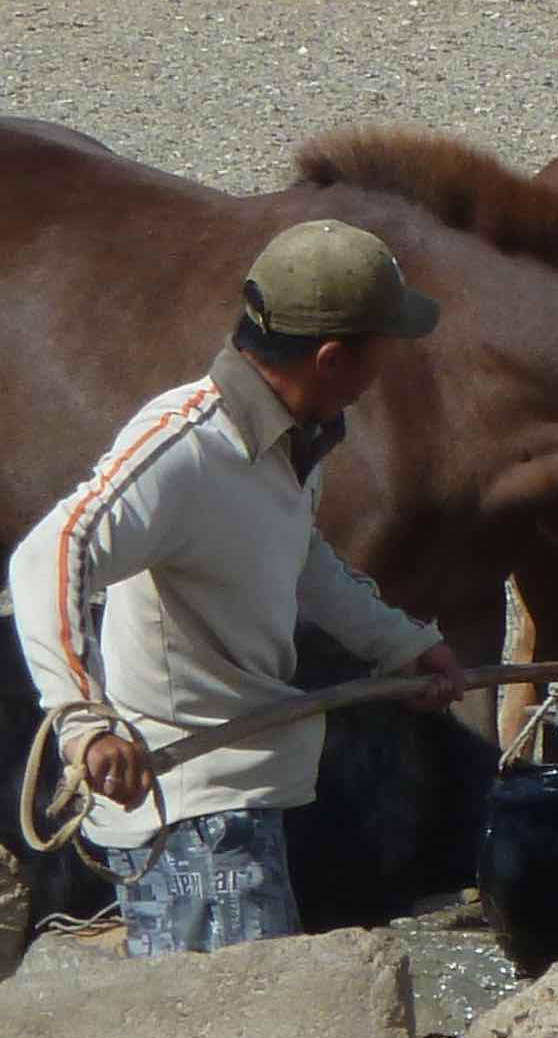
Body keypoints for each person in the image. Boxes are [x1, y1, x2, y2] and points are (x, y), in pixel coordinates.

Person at [7, 218, 467, 957]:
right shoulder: (186, 446)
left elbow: (300, 560)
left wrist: (404, 646)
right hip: (188, 819)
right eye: (383, 346)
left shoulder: (289, 443)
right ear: (331, 357)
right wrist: (83, 720)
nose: (389, 365)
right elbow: (51, 554)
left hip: (239, 805)